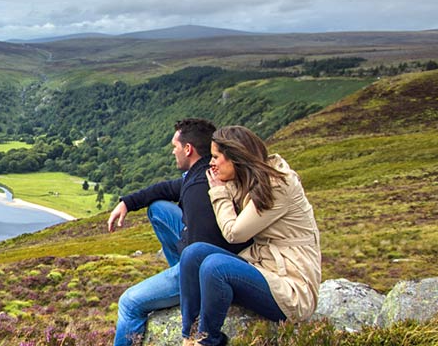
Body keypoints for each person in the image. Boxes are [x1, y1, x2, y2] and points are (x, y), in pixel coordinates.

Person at [107, 118, 252, 346]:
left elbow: (200, 252)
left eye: (175, 147)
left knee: (129, 303)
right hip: (211, 253)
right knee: (158, 209)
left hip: (201, 267)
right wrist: (127, 202)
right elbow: (166, 188)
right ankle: (177, 269)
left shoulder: (197, 191)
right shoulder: (200, 173)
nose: (173, 152)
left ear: (188, 149)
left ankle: (181, 285)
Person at [178, 126, 321, 345]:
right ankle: (189, 336)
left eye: (216, 157)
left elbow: (235, 233)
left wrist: (218, 192)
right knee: (193, 254)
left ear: (235, 158)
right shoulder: (249, 179)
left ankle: (208, 340)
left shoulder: (278, 185)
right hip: (264, 269)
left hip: (291, 287)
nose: (211, 163)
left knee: (215, 267)